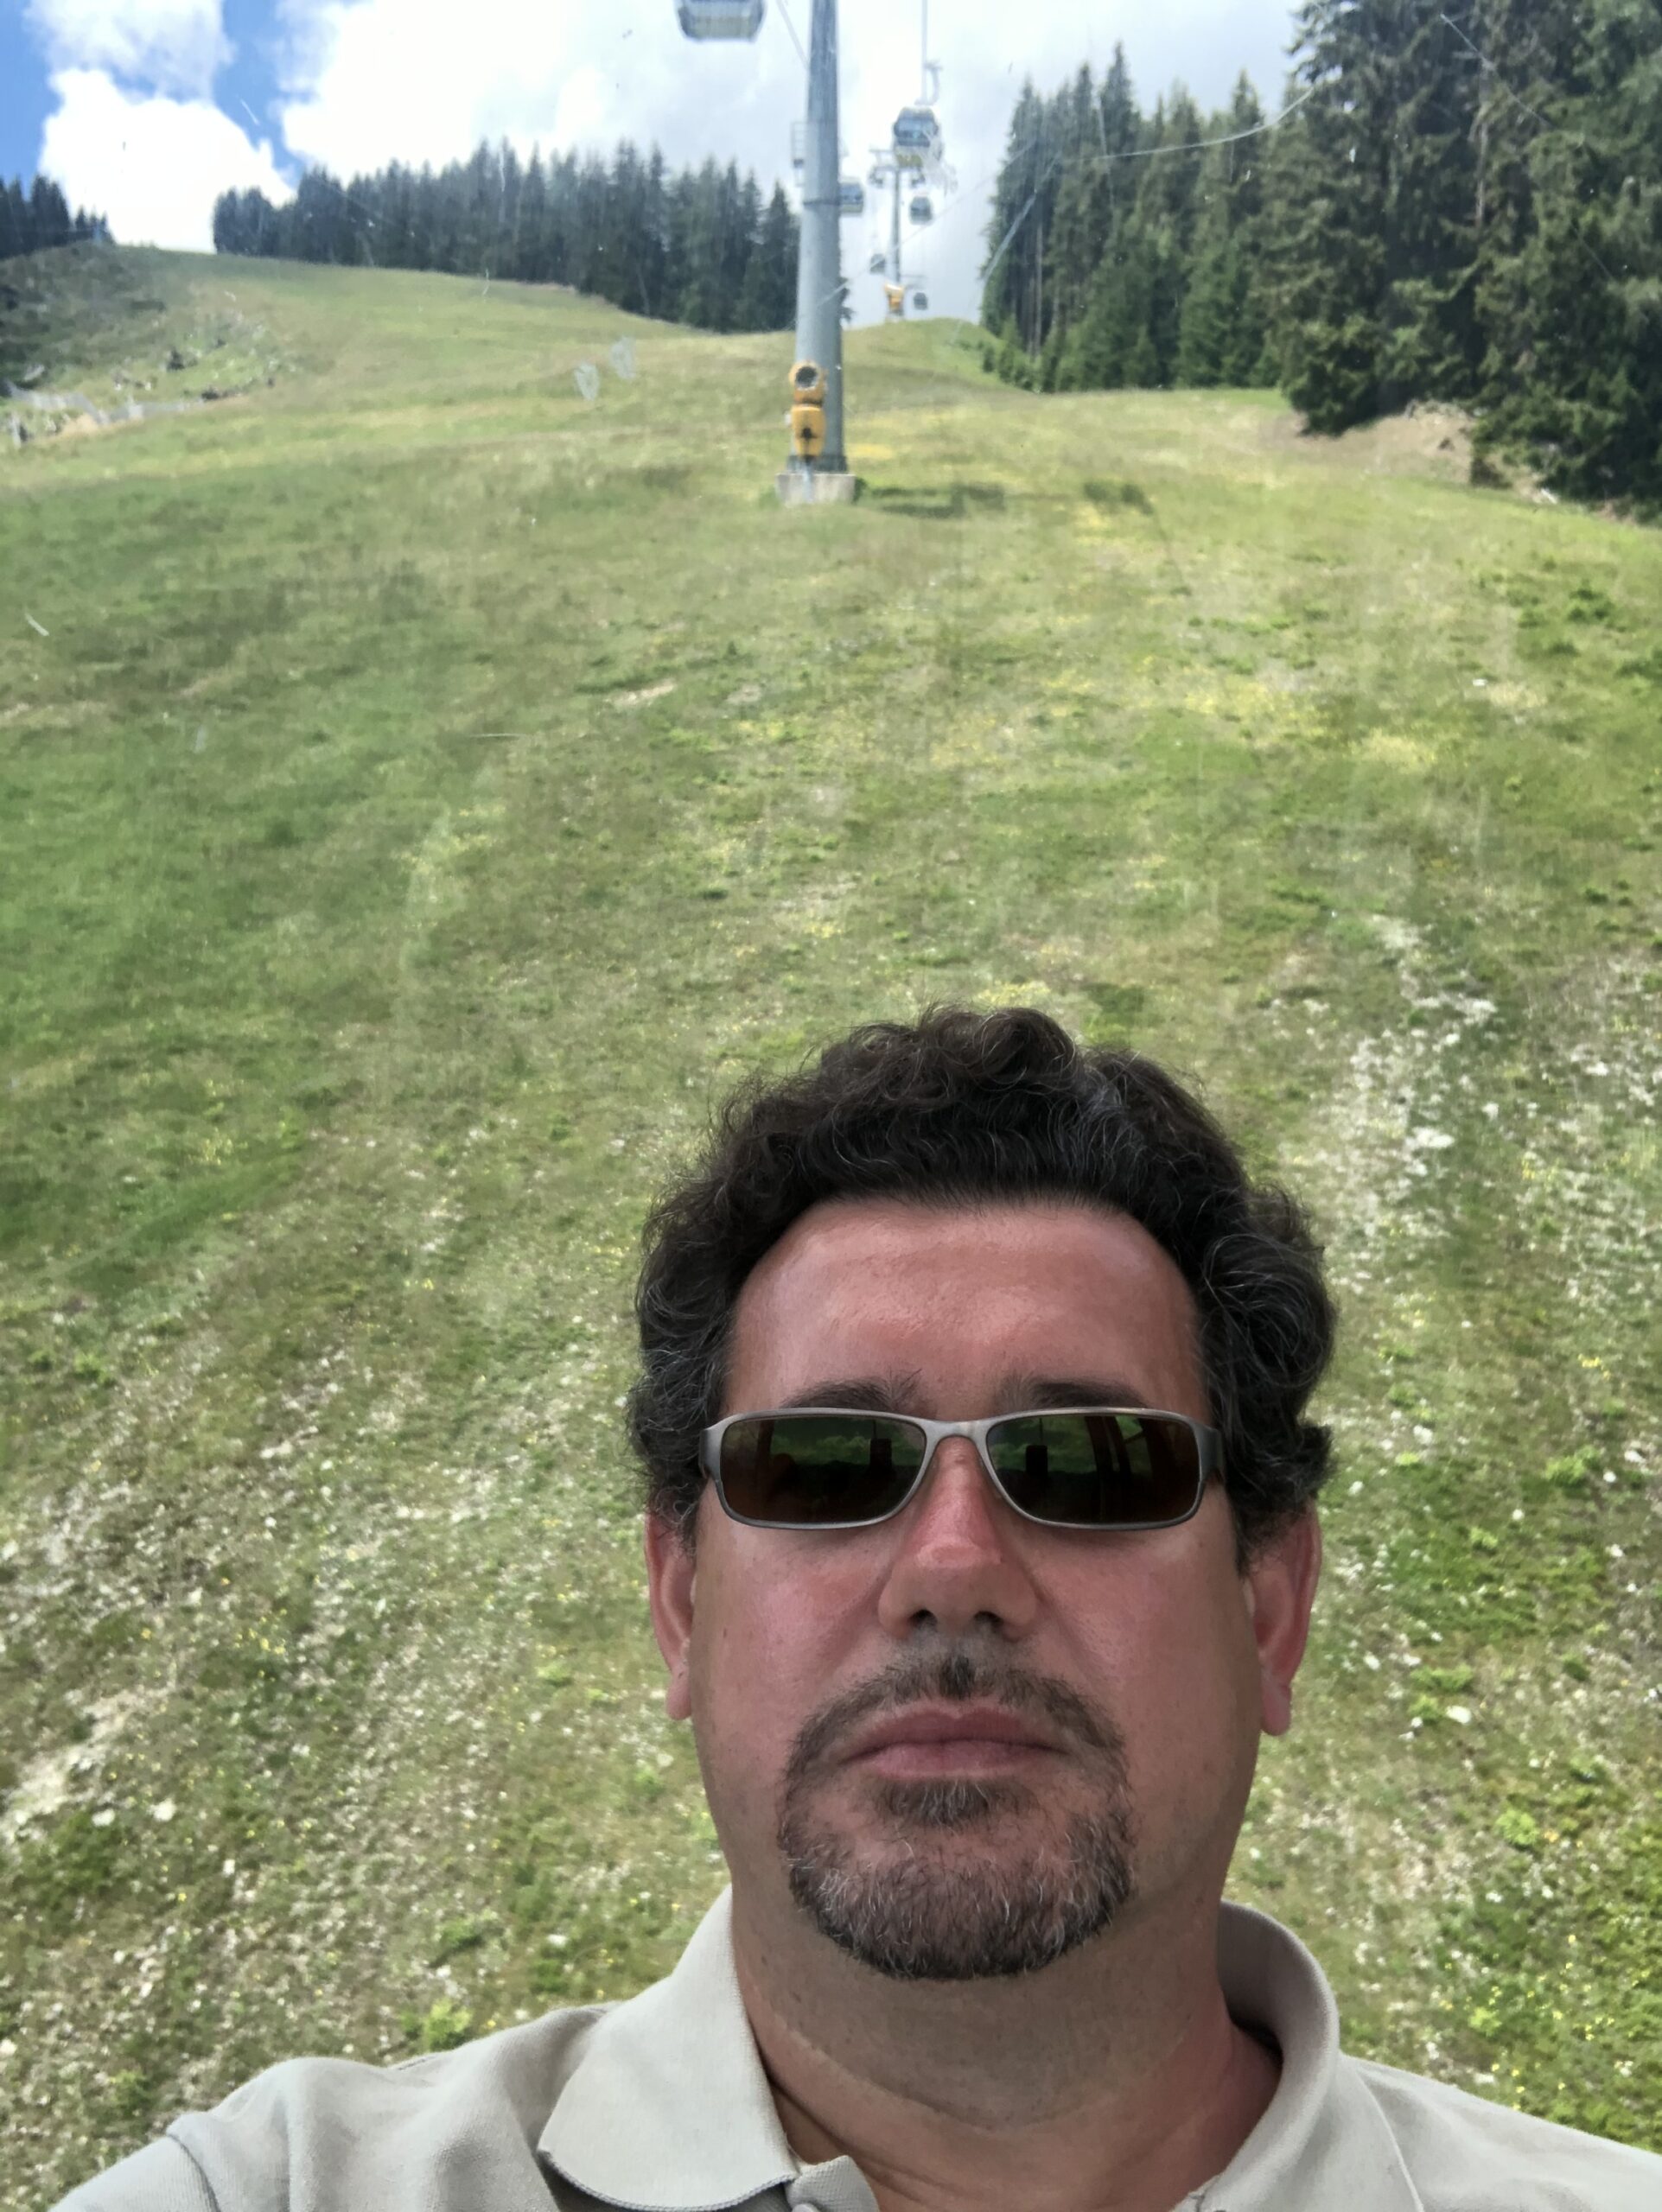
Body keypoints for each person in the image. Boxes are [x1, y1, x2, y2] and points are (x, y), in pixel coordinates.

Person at [60, 1008, 1659, 2212]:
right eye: (824, 1467)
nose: (953, 1566)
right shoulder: (277, 2188)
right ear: (681, 1603)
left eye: (1090, 1464)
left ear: (1271, 1610)